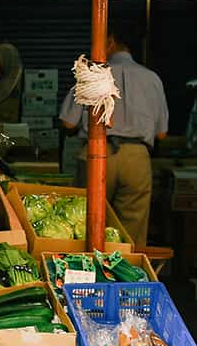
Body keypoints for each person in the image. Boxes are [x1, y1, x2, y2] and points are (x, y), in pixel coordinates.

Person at [59, 24, 168, 248]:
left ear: (109, 42)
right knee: (131, 232)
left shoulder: (93, 74)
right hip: (137, 158)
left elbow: (67, 122)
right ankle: (126, 279)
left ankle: (88, 277)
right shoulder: (152, 79)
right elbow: (162, 133)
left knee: (85, 224)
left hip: (98, 153)